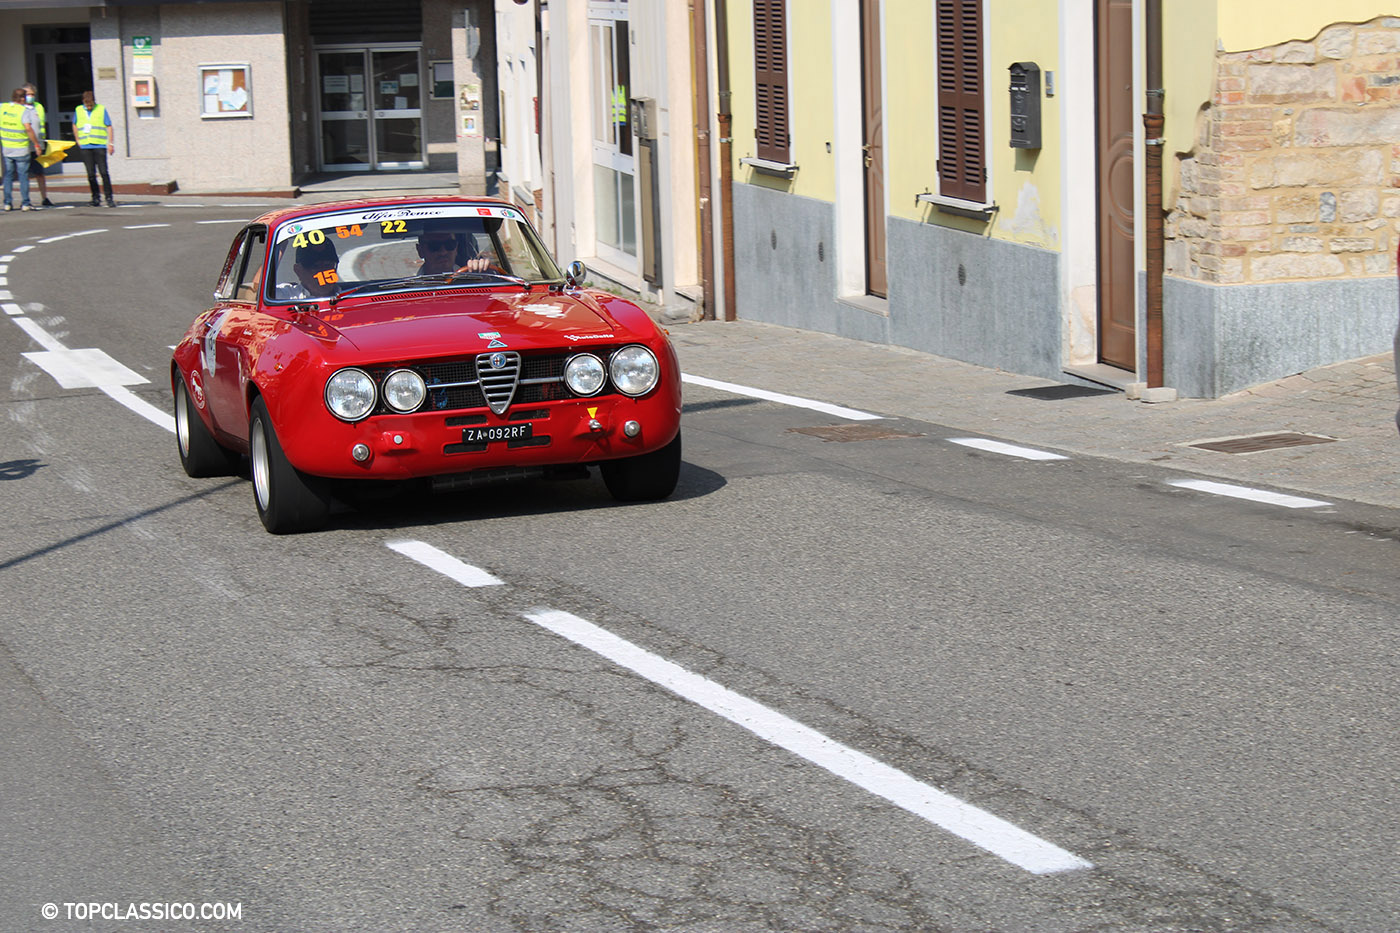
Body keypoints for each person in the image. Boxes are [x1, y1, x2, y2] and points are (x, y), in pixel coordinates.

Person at [1, 87, 41, 212]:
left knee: (8, 176)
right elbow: (28, 128)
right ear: (22, 98)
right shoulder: (24, 111)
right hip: (21, 148)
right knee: (23, 176)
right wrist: (36, 144)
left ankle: (7, 203)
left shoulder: (3, 107)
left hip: (7, 148)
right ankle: (25, 203)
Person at [73, 90, 115, 208]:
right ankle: (95, 197)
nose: (89, 107)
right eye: (87, 105)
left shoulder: (101, 109)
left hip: (99, 145)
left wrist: (110, 143)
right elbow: (75, 124)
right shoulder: (78, 110)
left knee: (103, 172)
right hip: (86, 145)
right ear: (83, 103)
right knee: (91, 174)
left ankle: (109, 197)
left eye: (91, 104)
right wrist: (78, 140)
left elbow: (109, 126)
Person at [275, 238, 341, 299]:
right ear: (298, 271)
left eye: (328, 265)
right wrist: (281, 242)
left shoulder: (349, 295)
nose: (322, 272)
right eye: (315, 266)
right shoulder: (288, 296)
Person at [22, 84, 53, 207]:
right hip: (24, 145)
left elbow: (41, 125)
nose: (31, 97)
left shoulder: (38, 107)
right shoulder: (20, 108)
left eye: (32, 94)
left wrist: (40, 143)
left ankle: (44, 197)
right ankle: (26, 199)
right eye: (28, 94)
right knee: (24, 174)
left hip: (38, 146)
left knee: (39, 173)